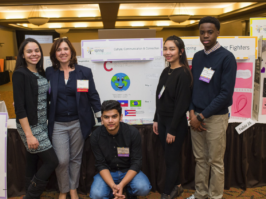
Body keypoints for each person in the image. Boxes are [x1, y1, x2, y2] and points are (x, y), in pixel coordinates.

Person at [187, 16, 237, 199]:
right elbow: (194, 88)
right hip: (196, 115)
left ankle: (215, 196)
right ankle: (200, 194)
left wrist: (201, 116)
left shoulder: (227, 57)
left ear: (218, 32)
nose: (205, 35)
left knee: (215, 161)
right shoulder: (198, 57)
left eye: (210, 32)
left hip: (215, 117)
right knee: (200, 159)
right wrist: (192, 112)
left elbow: (225, 95)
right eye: (202, 32)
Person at [46, 37, 101, 199]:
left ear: (71, 51)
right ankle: (63, 189)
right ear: (54, 54)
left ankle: (72, 189)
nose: (63, 52)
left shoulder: (84, 71)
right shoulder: (50, 72)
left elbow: (93, 95)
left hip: (79, 122)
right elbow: (40, 93)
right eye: (59, 50)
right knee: (62, 160)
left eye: (65, 49)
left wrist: (100, 116)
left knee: (76, 159)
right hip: (57, 123)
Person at [12, 38, 59, 199]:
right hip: (29, 126)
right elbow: (19, 108)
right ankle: (30, 196)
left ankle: (29, 192)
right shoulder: (20, 74)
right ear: (23, 55)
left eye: (37, 50)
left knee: (32, 160)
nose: (34, 54)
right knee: (52, 161)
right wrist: (29, 134)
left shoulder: (41, 73)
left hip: (41, 123)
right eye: (29, 51)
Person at [153, 36, 193, 199]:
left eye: (172, 49)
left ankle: (167, 193)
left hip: (174, 124)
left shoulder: (183, 74)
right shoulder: (166, 71)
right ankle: (177, 187)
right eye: (165, 49)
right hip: (162, 121)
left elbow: (181, 105)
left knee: (171, 160)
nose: (167, 52)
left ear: (181, 51)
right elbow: (160, 97)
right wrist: (156, 118)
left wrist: (172, 129)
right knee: (168, 157)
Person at [89, 100, 152, 199]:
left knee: (143, 188)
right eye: (106, 117)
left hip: (128, 171)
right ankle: (114, 192)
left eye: (114, 116)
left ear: (120, 117)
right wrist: (113, 185)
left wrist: (122, 184)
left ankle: (128, 191)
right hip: (108, 172)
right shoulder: (96, 136)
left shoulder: (132, 133)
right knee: (96, 194)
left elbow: (136, 162)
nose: (110, 120)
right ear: (102, 119)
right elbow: (100, 164)